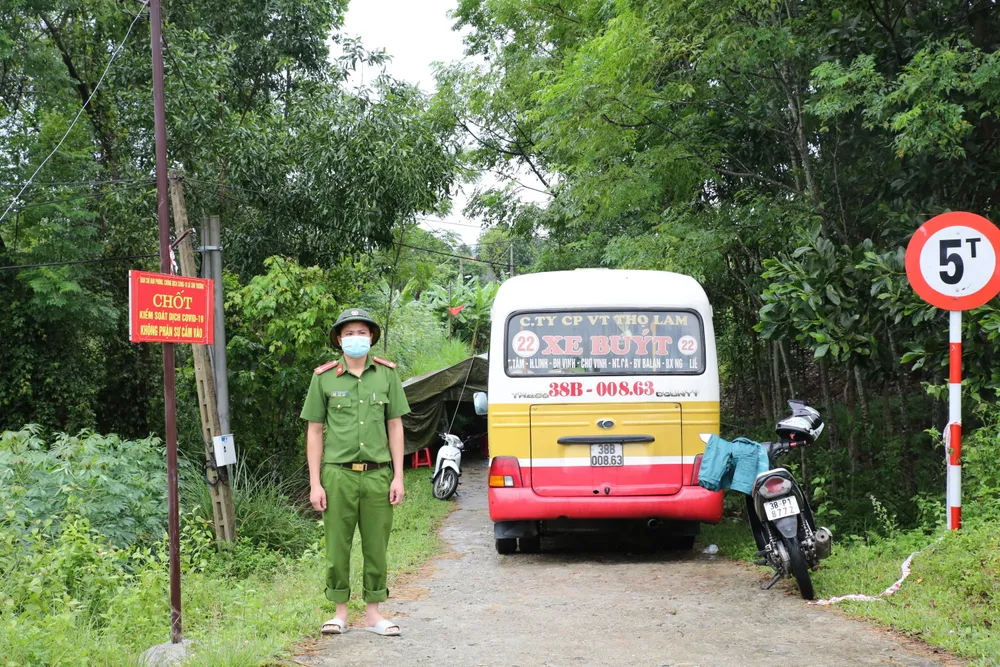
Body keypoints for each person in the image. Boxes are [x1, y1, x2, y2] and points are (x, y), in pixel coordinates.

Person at [299, 308, 410, 637]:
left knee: (376, 546)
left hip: (378, 475)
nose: (356, 339)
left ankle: (374, 614)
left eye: (362, 332)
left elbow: (395, 425)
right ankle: (340, 612)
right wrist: (315, 482)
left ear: (372, 337)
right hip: (337, 476)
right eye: (349, 334)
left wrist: (399, 475)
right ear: (338, 340)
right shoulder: (324, 377)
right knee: (337, 547)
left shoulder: (387, 375)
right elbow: (315, 431)